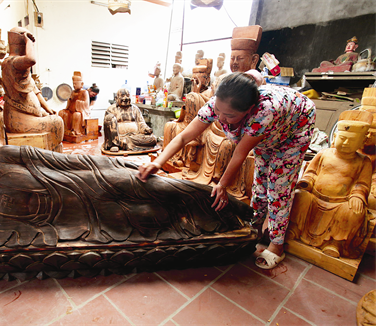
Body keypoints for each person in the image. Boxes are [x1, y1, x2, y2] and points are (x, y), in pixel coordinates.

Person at [0, 138, 252, 250]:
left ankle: (237, 210)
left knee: (169, 187)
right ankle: (219, 224)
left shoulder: (4, 158)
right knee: (156, 219)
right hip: (90, 220)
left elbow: (69, 162)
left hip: (98, 181)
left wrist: (120, 166)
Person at [138, 72, 316, 270]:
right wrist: (158, 162)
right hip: (267, 132)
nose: (221, 118)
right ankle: (254, 226)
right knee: (261, 178)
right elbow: (183, 137)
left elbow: (240, 154)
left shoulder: (263, 112)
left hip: (294, 126)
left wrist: (222, 184)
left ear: (249, 109)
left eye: (229, 115)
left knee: (278, 187)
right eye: (218, 111)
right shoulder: (220, 103)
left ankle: (277, 245)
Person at [288, 111, 372, 259]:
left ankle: (335, 243)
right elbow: (311, 172)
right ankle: (294, 229)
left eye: (352, 141)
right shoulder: (324, 153)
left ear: (362, 142)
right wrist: (307, 182)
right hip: (315, 196)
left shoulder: (363, 161)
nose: (346, 143)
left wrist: (357, 196)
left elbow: (362, 184)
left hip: (341, 203)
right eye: (343, 138)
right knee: (299, 197)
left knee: (354, 212)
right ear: (335, 137)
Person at [1, 27, 63, 136]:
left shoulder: (17, 65)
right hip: (19, 119)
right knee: (57, 123)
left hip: (28, 114)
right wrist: (29, 42)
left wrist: (47, 108)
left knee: (54, 117)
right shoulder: (12, 62)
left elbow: (35, 90)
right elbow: (31, 60)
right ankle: (48, 153)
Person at [58, 71, 91, 136]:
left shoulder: (84, 92)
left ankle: (75, 131)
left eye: (75, 84)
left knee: (76, 115)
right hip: (71, 110)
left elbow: (86, 104)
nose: (74, 85)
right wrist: (69, 101)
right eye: (73, 84)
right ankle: (65, 130)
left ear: (81, 84)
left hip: (81, 111)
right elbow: (69, 102)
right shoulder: (73, 92)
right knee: (62, 112)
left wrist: (77, 102)